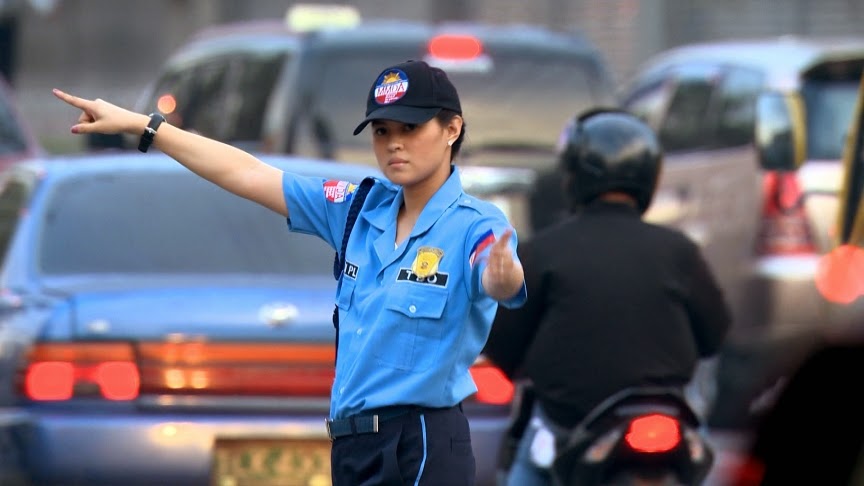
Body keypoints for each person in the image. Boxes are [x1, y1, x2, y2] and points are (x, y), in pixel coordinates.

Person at [53, 59, 527, 486]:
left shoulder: (476, 224)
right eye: (381, 130)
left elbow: (496, 273)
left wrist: (501, 277)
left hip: (420, 445)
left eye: (410, 126)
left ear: (452, 129)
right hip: (352, 446)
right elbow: (248, 173)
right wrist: (146, 126)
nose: (394, 142)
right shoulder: (359, 208)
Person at [482, 108, 731, 486]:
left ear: (574, 177)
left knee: (525, 471)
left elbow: (502, 343)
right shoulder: (680, 251)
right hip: (669, 419)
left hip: (569, 423)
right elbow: (715, 333)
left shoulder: (543, 251)